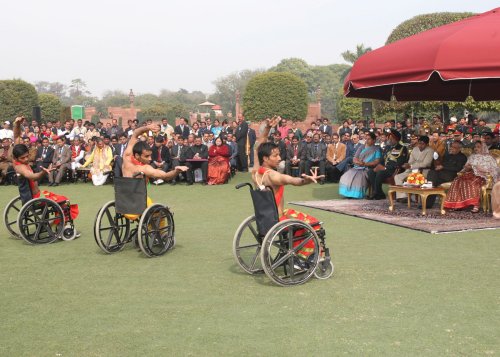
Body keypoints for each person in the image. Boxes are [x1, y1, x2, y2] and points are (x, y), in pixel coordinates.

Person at [252, 117, 324, 263]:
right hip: (279, 219)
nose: (279, 158)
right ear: (265, 158)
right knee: (315, 224)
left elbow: (258, 147)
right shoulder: (273, 176)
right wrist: (306, 180)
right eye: (275, 155)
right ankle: (302, 259)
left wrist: (267, 129)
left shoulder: (255, 172)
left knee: (295, 215)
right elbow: (292, 180)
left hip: (265, 218)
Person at [11, 116, 79, 232]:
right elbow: (33, 176)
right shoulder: (20, 167)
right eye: (23, 158)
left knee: (57, 198)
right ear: (16, 158)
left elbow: (17, 136)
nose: (26, 159)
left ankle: (48, 225)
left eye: (27, 156)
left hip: (33, 197)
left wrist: (17, 124)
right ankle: (65, 227)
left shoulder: (16, 154)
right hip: (35, 200)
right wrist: (44, 171)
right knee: (64, 201)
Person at [444, 141, 499, 213]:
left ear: (483, 148)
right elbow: (465, 167)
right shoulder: (472, 156)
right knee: (458, 180)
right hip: (470, 174)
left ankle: (476, 205)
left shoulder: (489, 158)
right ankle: (459, 204)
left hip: (482, 176)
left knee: (472, 183)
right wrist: (466, 168)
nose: (476, 148)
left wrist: (474, 167)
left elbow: (492, 169)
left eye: (478, 147)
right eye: (475, 147)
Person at [367, 130, 408, 200]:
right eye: (389, 138)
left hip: (393, 170)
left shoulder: (402, 148)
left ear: (397, 139)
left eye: (392, 139)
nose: (390, 140)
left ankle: (377, 193)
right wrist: (378, 166)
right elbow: (382, 159)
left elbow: (400, 162)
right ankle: (379, 193)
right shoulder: (387, 147)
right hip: (385, 168)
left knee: (380, 173)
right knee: (371, 172)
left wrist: (385, 168)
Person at [339, 132, 381, 199]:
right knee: (346, 176)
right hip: (358, 167)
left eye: (369, 139)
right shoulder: (361, 147)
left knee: (359, 177)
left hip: (368, 168)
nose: (367, 140)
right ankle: (348, 194)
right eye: (366, 139)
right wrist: (357, 162)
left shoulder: (376, 149)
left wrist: (365, 164)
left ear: (374, 140)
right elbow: (355, 158)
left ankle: (356, 194)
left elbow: (377, 161)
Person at [393, 135, 434, 201]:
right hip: (411, 170)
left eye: (422, 144)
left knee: (413, 178)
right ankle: (403, 197)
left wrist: (411, 166)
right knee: (397, 177)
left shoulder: (430, 150)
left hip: (423, 171)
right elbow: (411, 160)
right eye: (419, 143)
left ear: (427, 144)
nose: (420, 146)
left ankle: (413, 197)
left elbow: (426, 164)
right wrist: (407, 164)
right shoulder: (415, 149)